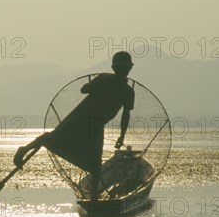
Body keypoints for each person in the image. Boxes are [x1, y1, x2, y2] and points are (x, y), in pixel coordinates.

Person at [13, 51, 135, 199]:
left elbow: (125, 115)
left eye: (124, 67)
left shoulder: (126, 91)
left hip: (95, 125)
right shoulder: (106, 79)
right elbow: (84, 89)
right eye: (120, 67)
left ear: (129, 68)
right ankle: (23, 149)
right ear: (115, 67)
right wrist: (97, 84)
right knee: (52, 138)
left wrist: (121, 136)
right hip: (81, 117)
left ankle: (93, 199)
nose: (122, 70)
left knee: (95, 165)